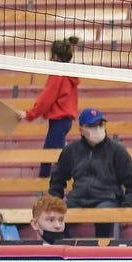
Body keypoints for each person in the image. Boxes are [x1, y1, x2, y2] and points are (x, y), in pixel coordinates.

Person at [47, 108, 132, 239]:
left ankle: (102, 252)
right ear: (81, 129)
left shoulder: (116, 150)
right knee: (54, 217)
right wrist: (55, 202)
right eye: (92, 126)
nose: (97, 129)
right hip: (77, 198)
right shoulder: (71, 150)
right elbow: (57, 179)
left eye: (100, 124)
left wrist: (127, 207)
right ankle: (65, 248)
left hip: (107, 198)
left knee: (104, 214)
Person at [24, 36, 81, 178]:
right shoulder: (68, 73)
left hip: (59, 121)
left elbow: (46, 99)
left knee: (50, 155)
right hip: (64, 121)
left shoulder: (58, 74)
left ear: (55, 56)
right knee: (54, 153)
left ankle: (47, 186)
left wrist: (29, 114)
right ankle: (55, 182)